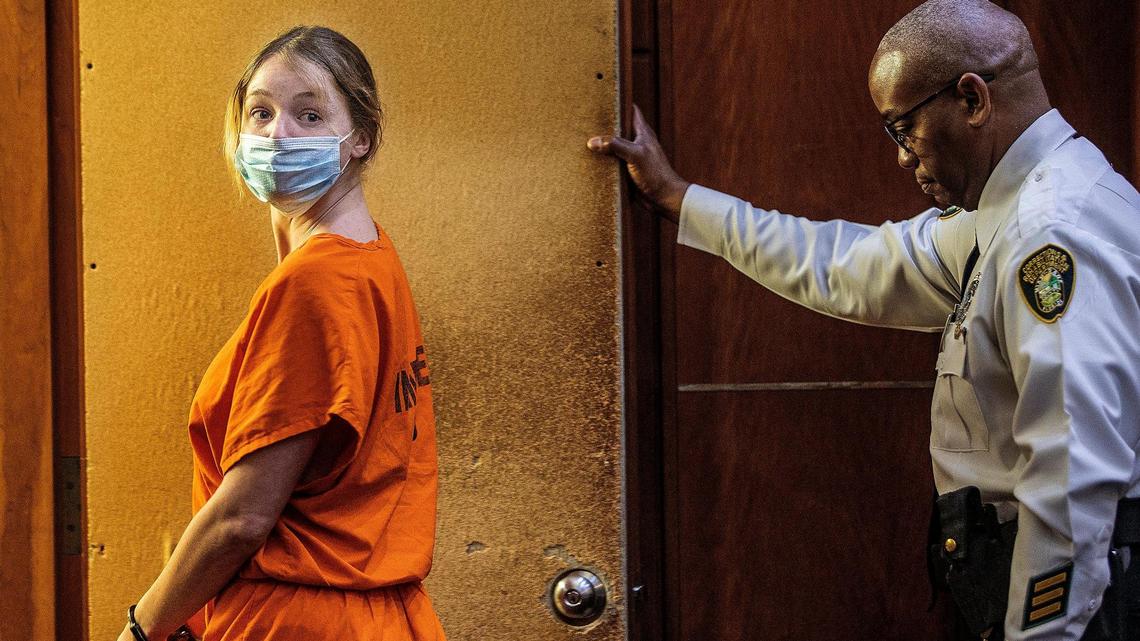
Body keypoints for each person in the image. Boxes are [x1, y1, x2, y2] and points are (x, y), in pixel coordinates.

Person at [588, 1, 1139, 640]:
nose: (903, 159)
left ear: (972, 100)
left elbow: (1071, 474)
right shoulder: (1007, 212)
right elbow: (850, 264)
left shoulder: (1051, 232)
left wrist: (1042, 634)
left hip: (1078, 613)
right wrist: (681, 200)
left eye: (903, 128)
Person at [117, 26, 446, 641]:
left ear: (360, 138)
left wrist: (142, 630)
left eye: (310, 114)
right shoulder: (370, 256)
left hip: (300, 618)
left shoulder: (317, 282)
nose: (277, 136)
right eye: (261, 113)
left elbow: (242, 518)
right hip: (376, 615)